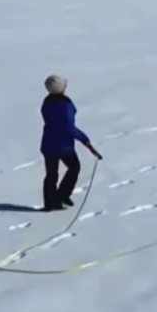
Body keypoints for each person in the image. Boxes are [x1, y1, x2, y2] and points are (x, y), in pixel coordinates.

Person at [40, 75, 103, 211]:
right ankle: (61, 196)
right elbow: (69, 127)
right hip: (63, 145)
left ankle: (50, 203)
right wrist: (85, 140)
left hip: (48, 144)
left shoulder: (47, 102)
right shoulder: (65, 104)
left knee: (51, 174)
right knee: (74, 167)